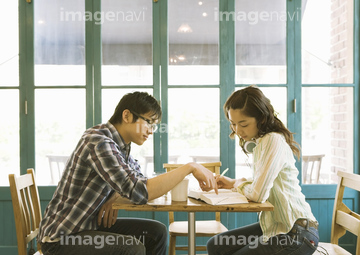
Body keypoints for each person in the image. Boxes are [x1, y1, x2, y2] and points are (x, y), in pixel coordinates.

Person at [38, 91, 218, 255]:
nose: (150, 131)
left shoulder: (119, 145)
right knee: (132, 248)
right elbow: (140, 191)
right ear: (126, 115)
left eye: (154, 126)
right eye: (148, 122)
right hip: (62, 238)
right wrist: (190, 167)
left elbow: (137, 177)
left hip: (89, 225)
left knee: (156, 232)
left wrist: (114, 195)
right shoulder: (99, 142)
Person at [207, 85, 319, 255]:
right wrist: (233, 183)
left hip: (296, 233)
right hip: (278, 225)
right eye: (233, 124)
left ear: (261, 119)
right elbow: (264, 184)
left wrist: (238, 183)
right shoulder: (261, 142)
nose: (237, 131)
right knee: (216, 245)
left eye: (243, 124)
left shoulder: (272, 140)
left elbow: (258, 195)